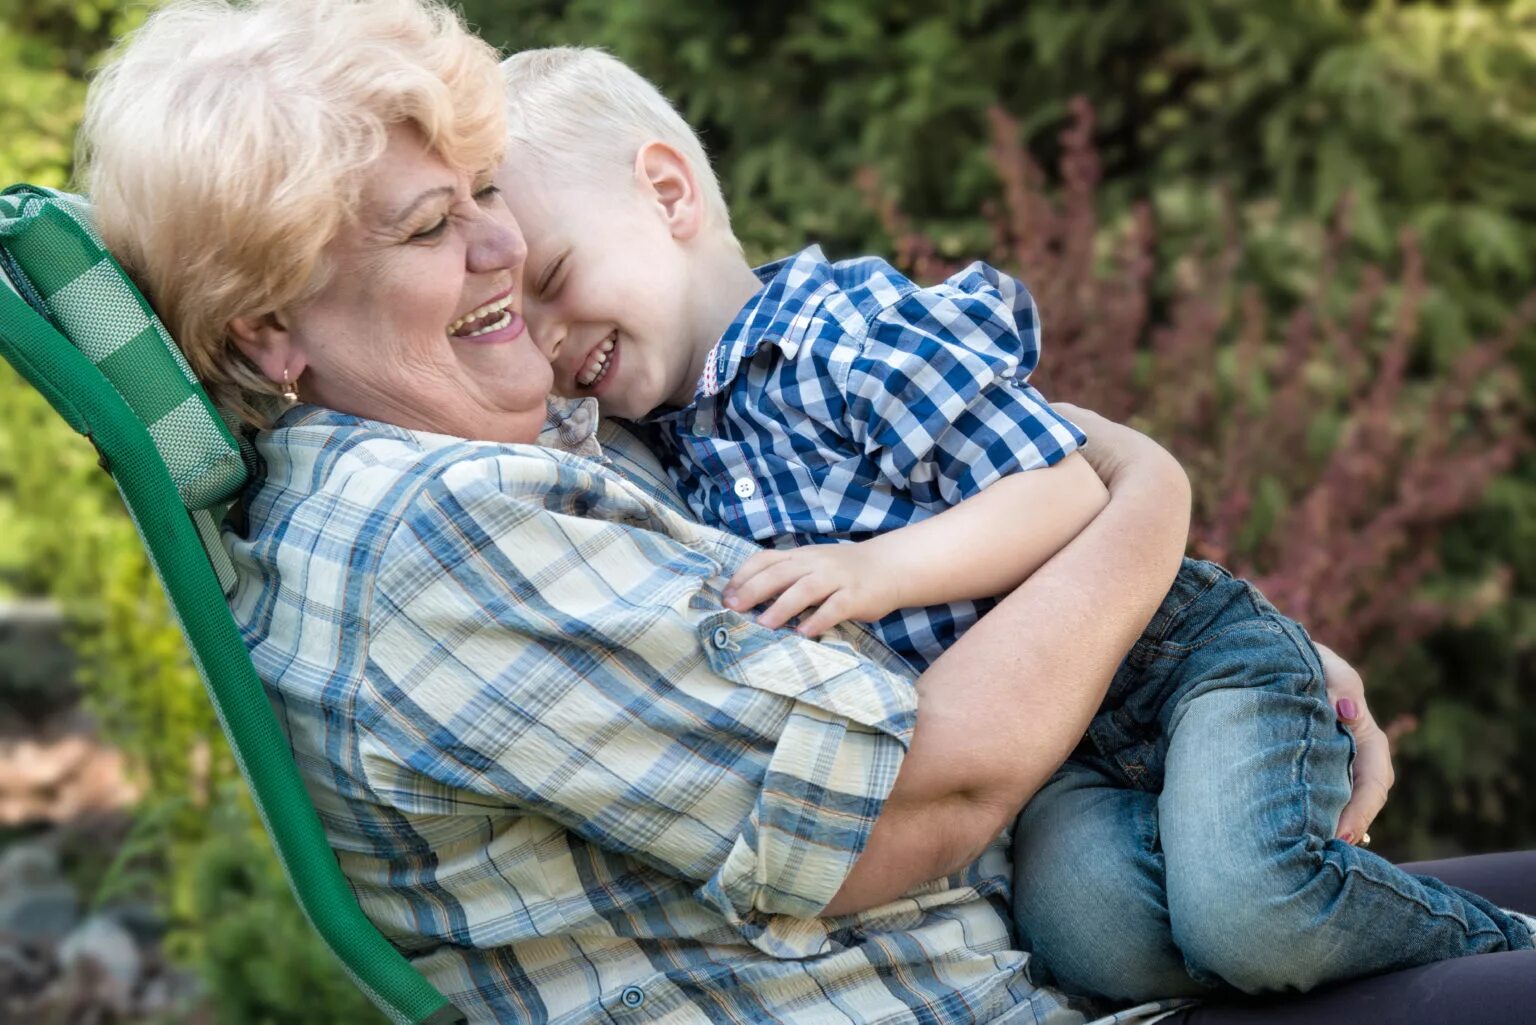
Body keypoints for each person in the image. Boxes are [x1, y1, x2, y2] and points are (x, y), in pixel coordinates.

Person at [75, 2, 1536, 1023]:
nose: (504, 243)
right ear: (270, 334)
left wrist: (1209, 652)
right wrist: (1149, 493)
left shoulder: (557, 441)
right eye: (425, 227)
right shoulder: (440, 534)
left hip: (1067, 917)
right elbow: (931, 793)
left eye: (478, 195)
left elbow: (982, 478)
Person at [495, 45, 1536, 1003]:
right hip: (1059, 749)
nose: (547, 341)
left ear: (669, 191)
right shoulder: (671, 448)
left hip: (1179, 663)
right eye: (515, 320)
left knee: (1251, 909)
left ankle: (1504, 948)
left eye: (554, 281)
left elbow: (1065, 490)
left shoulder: (845, 334)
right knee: (1105, 944)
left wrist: (880, 570)